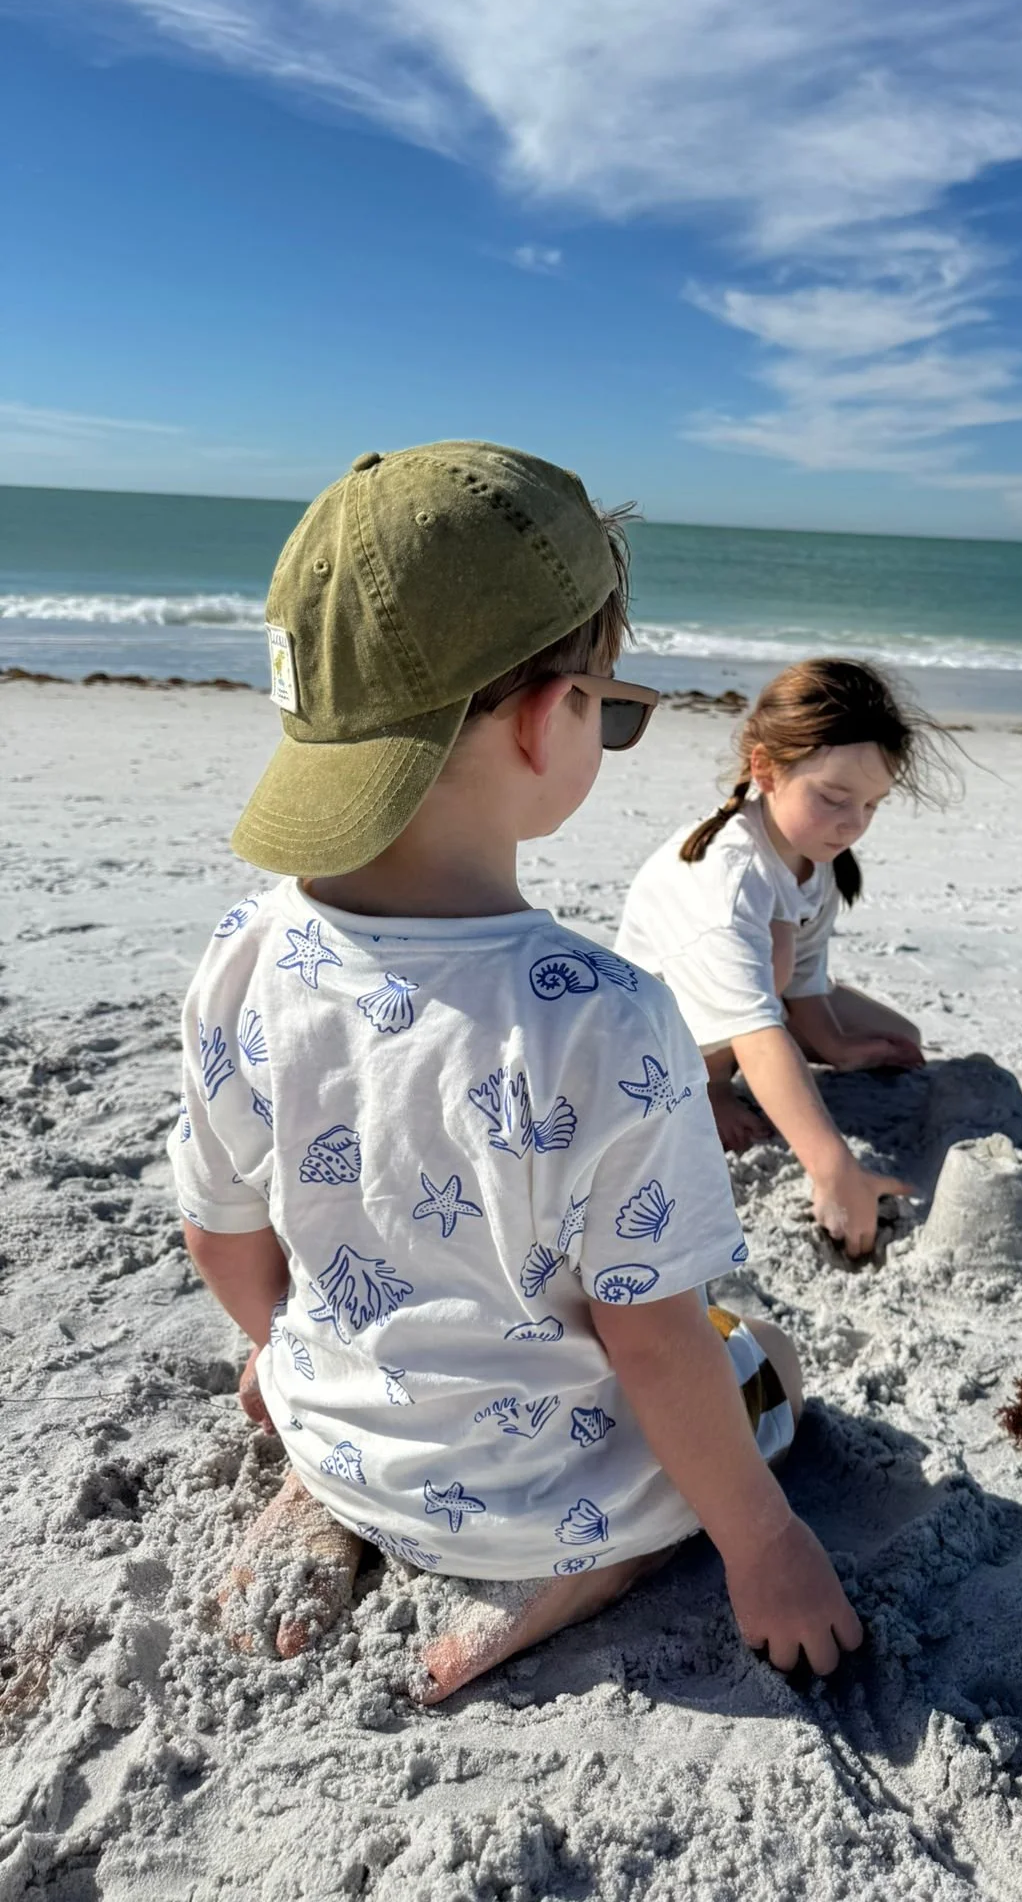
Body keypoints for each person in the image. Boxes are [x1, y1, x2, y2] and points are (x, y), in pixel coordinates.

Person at [172, 442, 861, 1703]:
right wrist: (766, 1546)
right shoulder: (602, 1018)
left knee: (344, 1337)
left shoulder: (240, 953)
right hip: (536, 1501)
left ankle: (329, 1487)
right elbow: (651, 1343)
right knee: (761, 1355)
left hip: (338, 1428)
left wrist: (290, 1359)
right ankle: (579, 1574)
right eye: (613, 701)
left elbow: (217, 1234)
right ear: (555, 720)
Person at [616, 659, 949, 1260]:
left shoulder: (807, 855)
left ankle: (749, 1072)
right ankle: (706, 1087)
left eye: (873, 805)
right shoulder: (728, 877)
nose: (853, 824)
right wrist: (833, 1170)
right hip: (653, 1037)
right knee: (770, 969)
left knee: (897, 1036)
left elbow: (802, 978)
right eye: (834, 798)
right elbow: (758, 1027)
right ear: (765, 769)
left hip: (745, 999)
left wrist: (838, 1046)